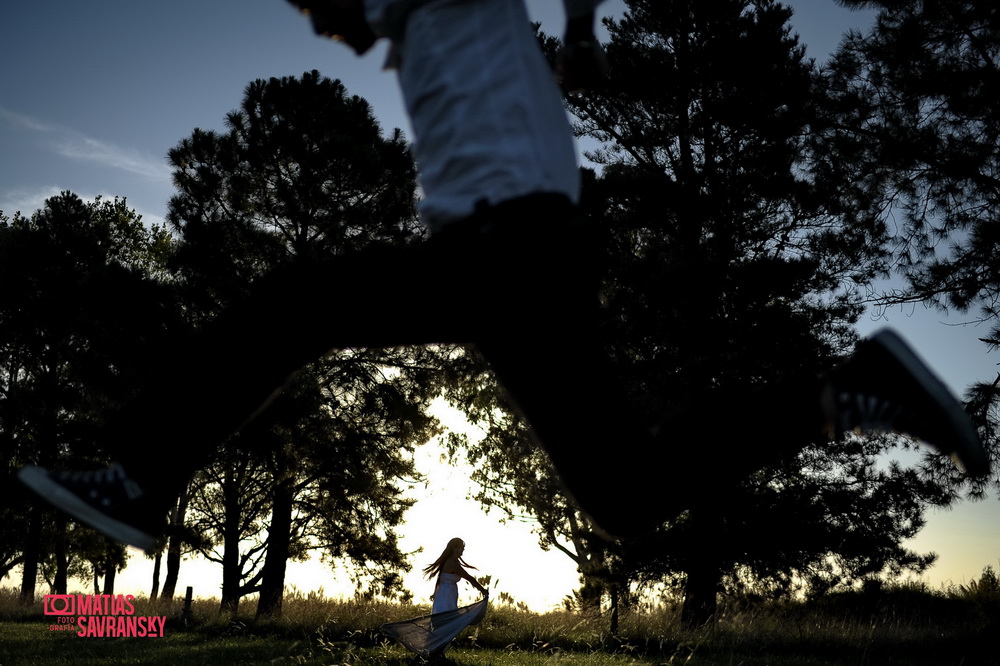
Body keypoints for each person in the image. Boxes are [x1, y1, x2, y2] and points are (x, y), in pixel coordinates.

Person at [18, 0, 989, 553]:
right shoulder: (418, 26)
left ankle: (141, 475)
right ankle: (847, 392)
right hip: (518, 259)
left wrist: (579, 31)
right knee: (626, 493)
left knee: (298, 302)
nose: (333, 26)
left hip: (510, 242)